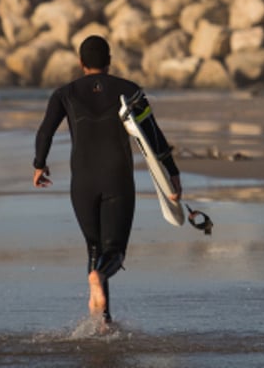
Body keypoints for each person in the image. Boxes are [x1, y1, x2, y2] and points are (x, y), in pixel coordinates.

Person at [32, 35, 182, 323]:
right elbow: (152, 132)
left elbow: (45, 131)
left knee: (94, 247)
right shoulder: (130, 90)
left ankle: (103, 321)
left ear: (80, 63)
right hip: (117, 179)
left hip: (83, 182)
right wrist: (171, 173)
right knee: (113, 252)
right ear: (110, 61)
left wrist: (39, 164)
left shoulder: (65, 93)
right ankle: (99, 278)